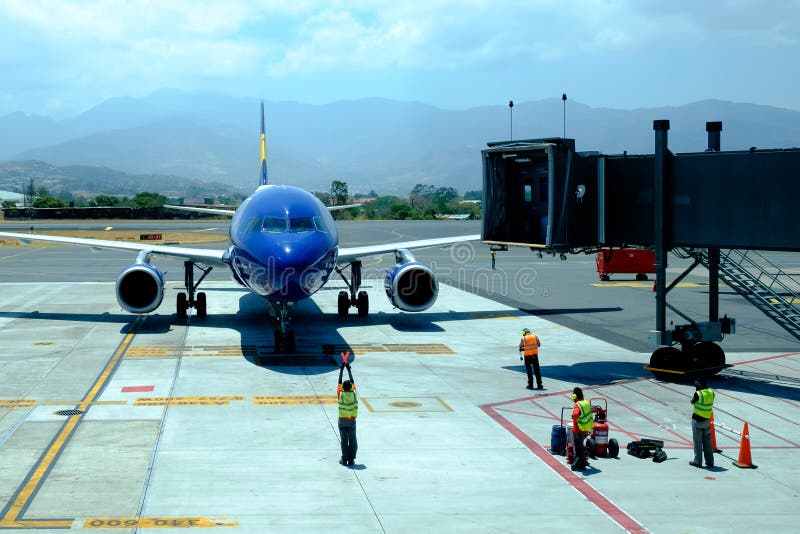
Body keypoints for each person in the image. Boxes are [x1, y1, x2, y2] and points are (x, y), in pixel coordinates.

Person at [690, 376, 715, 468]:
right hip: (707, 420)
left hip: (697, 420)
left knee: (697, 442)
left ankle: (697, 462)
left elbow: (692, 402)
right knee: (707, 442)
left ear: (699, 384)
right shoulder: (712, 392)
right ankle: (710, 461)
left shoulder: (698, 393)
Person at [337, 361, 358, 467]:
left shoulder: (340, 394)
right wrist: (349, 370)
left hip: (342, 421)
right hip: (351, 420)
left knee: (344, 441)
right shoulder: (354, 393)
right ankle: (351, 460)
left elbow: (339, 382)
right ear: (350, 387)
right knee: (353, 440)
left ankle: (344, 459)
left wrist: (341, 369)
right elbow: (352, 381)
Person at [571, 387, 594, 471]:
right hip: (585, 428)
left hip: (578, 430)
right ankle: (582, 464)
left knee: (578, 449)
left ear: (574, 396)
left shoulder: (578, 405)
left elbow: (576, 415)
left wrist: (573, 416)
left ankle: (576, 464)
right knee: (581, 447)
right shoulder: (586, 403)